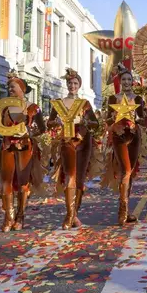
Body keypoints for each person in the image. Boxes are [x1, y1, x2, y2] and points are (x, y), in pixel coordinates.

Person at [48, 68, 99, 229]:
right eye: (70, 83)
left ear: (79, 85)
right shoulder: (59, 103)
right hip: (67, 141)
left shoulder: (85, 104)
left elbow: (95, 124)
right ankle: (69, 216)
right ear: (67, 84)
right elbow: (49, 122)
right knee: (69, 175)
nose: (72, 85)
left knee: (80, 179)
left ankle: (74, 213)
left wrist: (85, 122)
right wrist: (57, 123)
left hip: (83, 142)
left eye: (75, 83)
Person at [0, 71, 46, 232]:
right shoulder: (2, 108)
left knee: (23, 182)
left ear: (22, 89)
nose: (10, 89)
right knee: (6, 182)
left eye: (13, 86)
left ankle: (20, 216)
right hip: (7, 147)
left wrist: (30, 133)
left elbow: (42, 128)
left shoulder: (33, 108)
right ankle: (8, 216)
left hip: (25, 147)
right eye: (8, 87)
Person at [102, 64, 146, 225]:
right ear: (120, 81)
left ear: (132, 82)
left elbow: (144, 121)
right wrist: (113, 118)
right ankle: (122, 211)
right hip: (119, 136)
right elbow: (106, 120)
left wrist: (138, 117)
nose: (126, 82)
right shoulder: (113, 99)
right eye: (124, 79)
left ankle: (126, 211)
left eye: (129, 79)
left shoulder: (139, 99)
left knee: (130, 172)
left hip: (134, 137)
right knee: (126, 170)